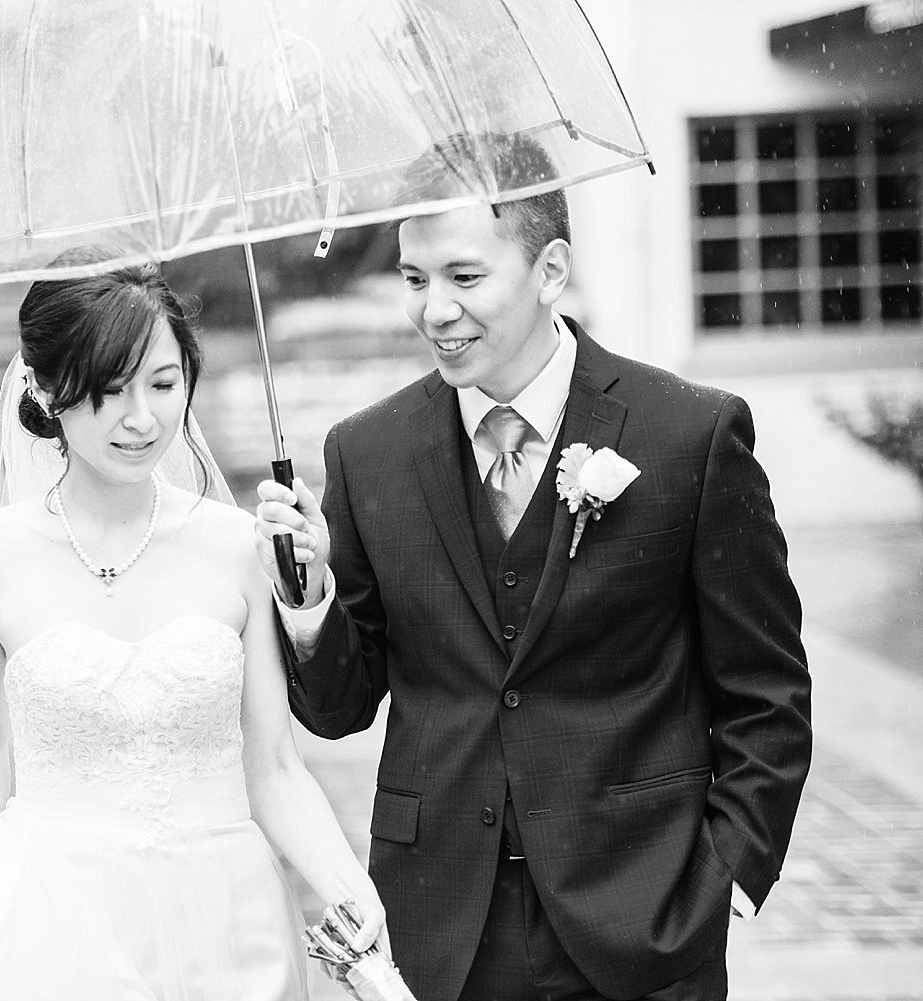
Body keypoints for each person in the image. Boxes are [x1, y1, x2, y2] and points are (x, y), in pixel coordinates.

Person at [253, 132, 813, 1001]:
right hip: (442, 929)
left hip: (647, 922)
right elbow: (338, 708)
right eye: (413, 279)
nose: (434, 309)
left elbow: (767, 694)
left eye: (464, 277)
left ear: (550, 270)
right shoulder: (366, 454)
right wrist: (309, 597)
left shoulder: (688, 435)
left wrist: (725, 882)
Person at [0, 247, 387, 1001]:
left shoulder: (236, 544)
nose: (143, 419)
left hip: (229, 921)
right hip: (56, 921)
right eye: (108, 391)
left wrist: (349, 888)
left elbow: (274, 768)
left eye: (164, 384)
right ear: (45, 389)